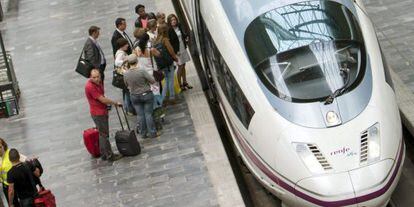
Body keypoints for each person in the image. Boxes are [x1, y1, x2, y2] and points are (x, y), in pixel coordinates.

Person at [85, 69, 123, 161]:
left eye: (98, 76)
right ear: (90, 77)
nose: (97, 79)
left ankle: (104, 154)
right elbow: (102, 99)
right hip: (98, 113)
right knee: (104, 135)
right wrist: (114, 103)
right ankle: (109, 155)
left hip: (101, 111)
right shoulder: (90, 86)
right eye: (94, 77)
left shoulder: (98, 83)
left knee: (102, 134)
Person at [124, 54, 160, 138]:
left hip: (134, 96)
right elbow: (152, 80)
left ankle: (143, 133)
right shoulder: (141, 71)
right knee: (148, 114)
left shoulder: (126, 74)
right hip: (146, 94)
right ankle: (152, 132)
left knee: (140, 115)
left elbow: (126, 84)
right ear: (136, 61)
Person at [154, 24, 178, 104]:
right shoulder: (165, 40)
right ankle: (172, 97)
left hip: (161, 64)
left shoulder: (155, 41)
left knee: (167, 80)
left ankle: (163, 98)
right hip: (168, 62)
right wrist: (175, 58)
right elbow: (171, 51)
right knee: (170, 80)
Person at [167, 14, 193, 90]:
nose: (174, 21)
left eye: (174, 19)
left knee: (184, 65)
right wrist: (175, 52)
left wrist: (186, 37)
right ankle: (179, 84)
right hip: (177, 51)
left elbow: (182, 34)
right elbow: (170, 43)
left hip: (182, 47)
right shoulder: (169, 30)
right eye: (172, 20)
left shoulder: (179, 26)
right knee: (180, 66)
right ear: (169, 22)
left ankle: (185, 82)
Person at [0, 138, 27, 207]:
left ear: (3, 146)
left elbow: (25, 160)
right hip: (6, 186)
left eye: (0, 147)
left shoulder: (10, 153)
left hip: (16, 184)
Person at [115, 38, 135, 116]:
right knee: (127, 93)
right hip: (124, 75)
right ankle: (129, 109)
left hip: (123, 76)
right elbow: (117, 63)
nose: (127, 45)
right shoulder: (121, 53)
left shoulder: (120, 52)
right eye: (126, 44)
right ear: (122, 46)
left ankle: (127, 108)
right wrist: (126, 59)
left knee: (126, 93)